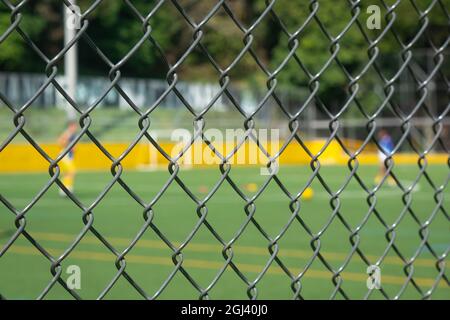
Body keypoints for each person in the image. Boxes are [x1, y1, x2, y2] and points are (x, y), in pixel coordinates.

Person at [57, 121, 78, 196]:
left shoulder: (73, 134)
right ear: (70, 126)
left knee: (68, 173)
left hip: (69, 155)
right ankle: (67, 189)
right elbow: (60, 141)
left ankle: (65, 188)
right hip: (65, 155)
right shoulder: (68, 133)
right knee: (71, 171)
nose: (76, 128)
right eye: (74, 126)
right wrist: (70, 146)